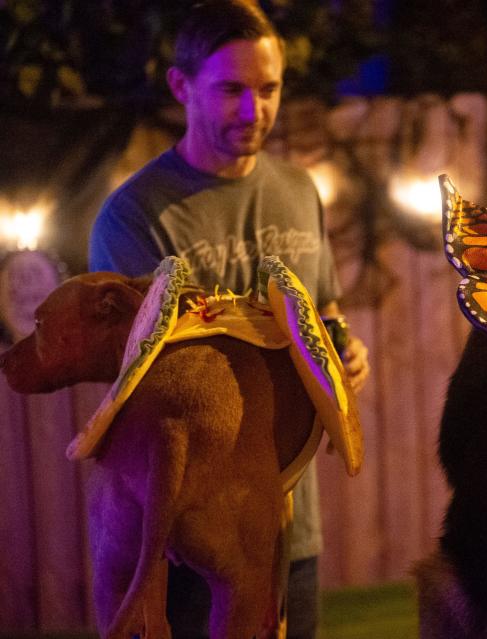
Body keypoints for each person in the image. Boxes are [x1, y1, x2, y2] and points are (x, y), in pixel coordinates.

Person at [88, 1, 370, 637]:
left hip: (287, 522)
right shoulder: (134, 217)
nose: (254, 111)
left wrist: (343, 353)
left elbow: (324, 313)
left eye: (268, 89)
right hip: (184, 534)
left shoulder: (299, 192)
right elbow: (144, 390)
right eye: (232, 90)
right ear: (181, 86)